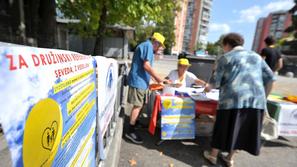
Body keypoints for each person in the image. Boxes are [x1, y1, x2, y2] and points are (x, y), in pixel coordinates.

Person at [203, 33, 275, 167]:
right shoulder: (257, 57)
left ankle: (213, 156)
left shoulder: (225, 58)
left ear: (226, 45)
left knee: (222, 127)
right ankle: (229, 159)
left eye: (223, 46)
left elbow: (212, 84)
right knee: (242, 131)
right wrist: (264, 98)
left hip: (231, 100)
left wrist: (205, 87)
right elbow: (270, 78)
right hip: (256, 101)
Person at [125, 32, 167, 144]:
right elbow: (146, 66)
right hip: (138, 81)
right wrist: (159, 79)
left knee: (141, 103)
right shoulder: (148, 46)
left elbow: (144, 68)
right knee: (137, 105)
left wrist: (153, 79)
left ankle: (135, 122)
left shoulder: (146, 46)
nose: (159, 48)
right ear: (156, 42)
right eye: (160, 46)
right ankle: (130, 131)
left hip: (141, 82)